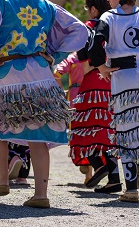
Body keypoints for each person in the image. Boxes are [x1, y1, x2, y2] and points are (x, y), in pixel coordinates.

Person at [0, 0, 88, 208]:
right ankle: (41, 194)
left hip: (5, 74)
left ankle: (2, 181)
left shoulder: (0, 0)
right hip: (40, 76)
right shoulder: (46, 5)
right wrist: (53, 55)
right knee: (38, 134)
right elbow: (80, 31)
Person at [87, 0, 139, 202]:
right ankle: (136, 166)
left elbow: (95, 43)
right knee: (137, 127)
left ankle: (131, 189)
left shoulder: (109, 17)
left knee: (125, 131)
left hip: (123, 76)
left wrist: (102, 67)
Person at [69, 0, 122, 193]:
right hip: (114, 84)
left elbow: (84, 64)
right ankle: (115, 178)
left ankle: (98, 165)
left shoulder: (88, 28)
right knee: (108, 130)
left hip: (93, 83)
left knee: (84, 127)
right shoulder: (116, 25)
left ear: (92, 9)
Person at [53, 52, 91, 183]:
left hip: (75, 95)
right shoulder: (96, 52)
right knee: (92, 129)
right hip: (92, 93)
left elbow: (56, 73)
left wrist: (60, 91)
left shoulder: (73, 58)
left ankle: (84, 162)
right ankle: (92, 169)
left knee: (77, 130)